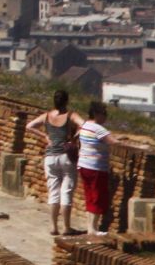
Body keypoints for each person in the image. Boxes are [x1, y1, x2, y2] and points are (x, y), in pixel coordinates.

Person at [25, 88, 83, 237]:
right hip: (66, 156)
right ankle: (67, 227)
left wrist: (45, 136)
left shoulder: (46, 116)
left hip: (50, 157)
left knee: (53, 192)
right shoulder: (71, 116)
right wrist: (74, 137)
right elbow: (84, 125)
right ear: (67, 101)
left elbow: (29, 126)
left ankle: (53, 226)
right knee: (67, 192)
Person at [77, 100, 114, 235]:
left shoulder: (85, 125)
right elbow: (112, 141)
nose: (105, 117)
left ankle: (90, 227)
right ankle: (93, 228)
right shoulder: (99, 129)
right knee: (97, 196)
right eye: (104, 114)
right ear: (97, 114)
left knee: (90, 196)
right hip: (96, 167)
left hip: (83, 165)